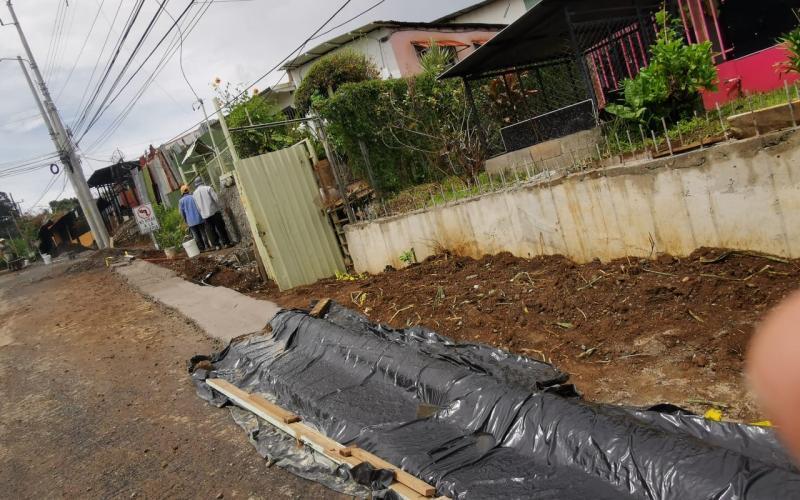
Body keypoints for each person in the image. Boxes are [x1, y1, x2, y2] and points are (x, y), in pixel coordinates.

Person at [192, 179, 231, 250]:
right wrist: (223, 207)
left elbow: (197, 207)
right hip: (214, 212)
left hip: (205, 216)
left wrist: (202, 214)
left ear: (196, 185)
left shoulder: (194, 194)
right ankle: (226, 243)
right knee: (220, 228)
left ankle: (217, 246)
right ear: (202, 182)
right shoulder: (208, 188)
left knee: (211, 231)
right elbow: (216, 199)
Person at [178, 184, 207, 252]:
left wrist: (185, 220)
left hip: (190, 221)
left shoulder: (181, 201)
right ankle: (207, 246)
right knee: (203, 233)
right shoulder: (193, 196)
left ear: (182, 192)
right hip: (199, 218)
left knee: (196, 235)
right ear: (188, 190)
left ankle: (201, 248)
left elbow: (181, 213)